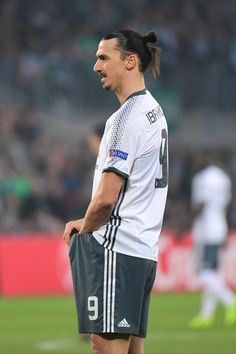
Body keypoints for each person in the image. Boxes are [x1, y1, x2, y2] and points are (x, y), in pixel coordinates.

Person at [63, 29, 168, 354]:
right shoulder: (154, 110)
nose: (96, 66)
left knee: (104, 348)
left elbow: (108, 197)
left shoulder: (124, 120)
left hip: (116, 251)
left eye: (103, 58)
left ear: (130, 61)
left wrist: (86, 226)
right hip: (143, 251)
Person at [190, 153, 236, 329]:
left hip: (206, 230)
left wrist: (187, 221)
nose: (195, 162)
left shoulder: (203, 178)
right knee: (213, 273)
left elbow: (201, 204)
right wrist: (225, 227)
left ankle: (230, 301)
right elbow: (227, 203)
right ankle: (206, 315)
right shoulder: (222, 177)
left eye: (197, 159)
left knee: (204, 272)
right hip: (219, 226)